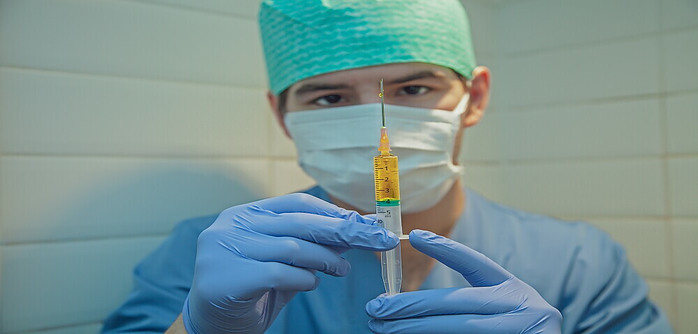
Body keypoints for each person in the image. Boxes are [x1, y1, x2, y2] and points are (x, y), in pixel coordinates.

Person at [102, 0, 673, 333]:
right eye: (328, 98)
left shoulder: (579, 261)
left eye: (415, 86)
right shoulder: (212, 252)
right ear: (282, 114)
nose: (374, 117)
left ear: (473, 97)